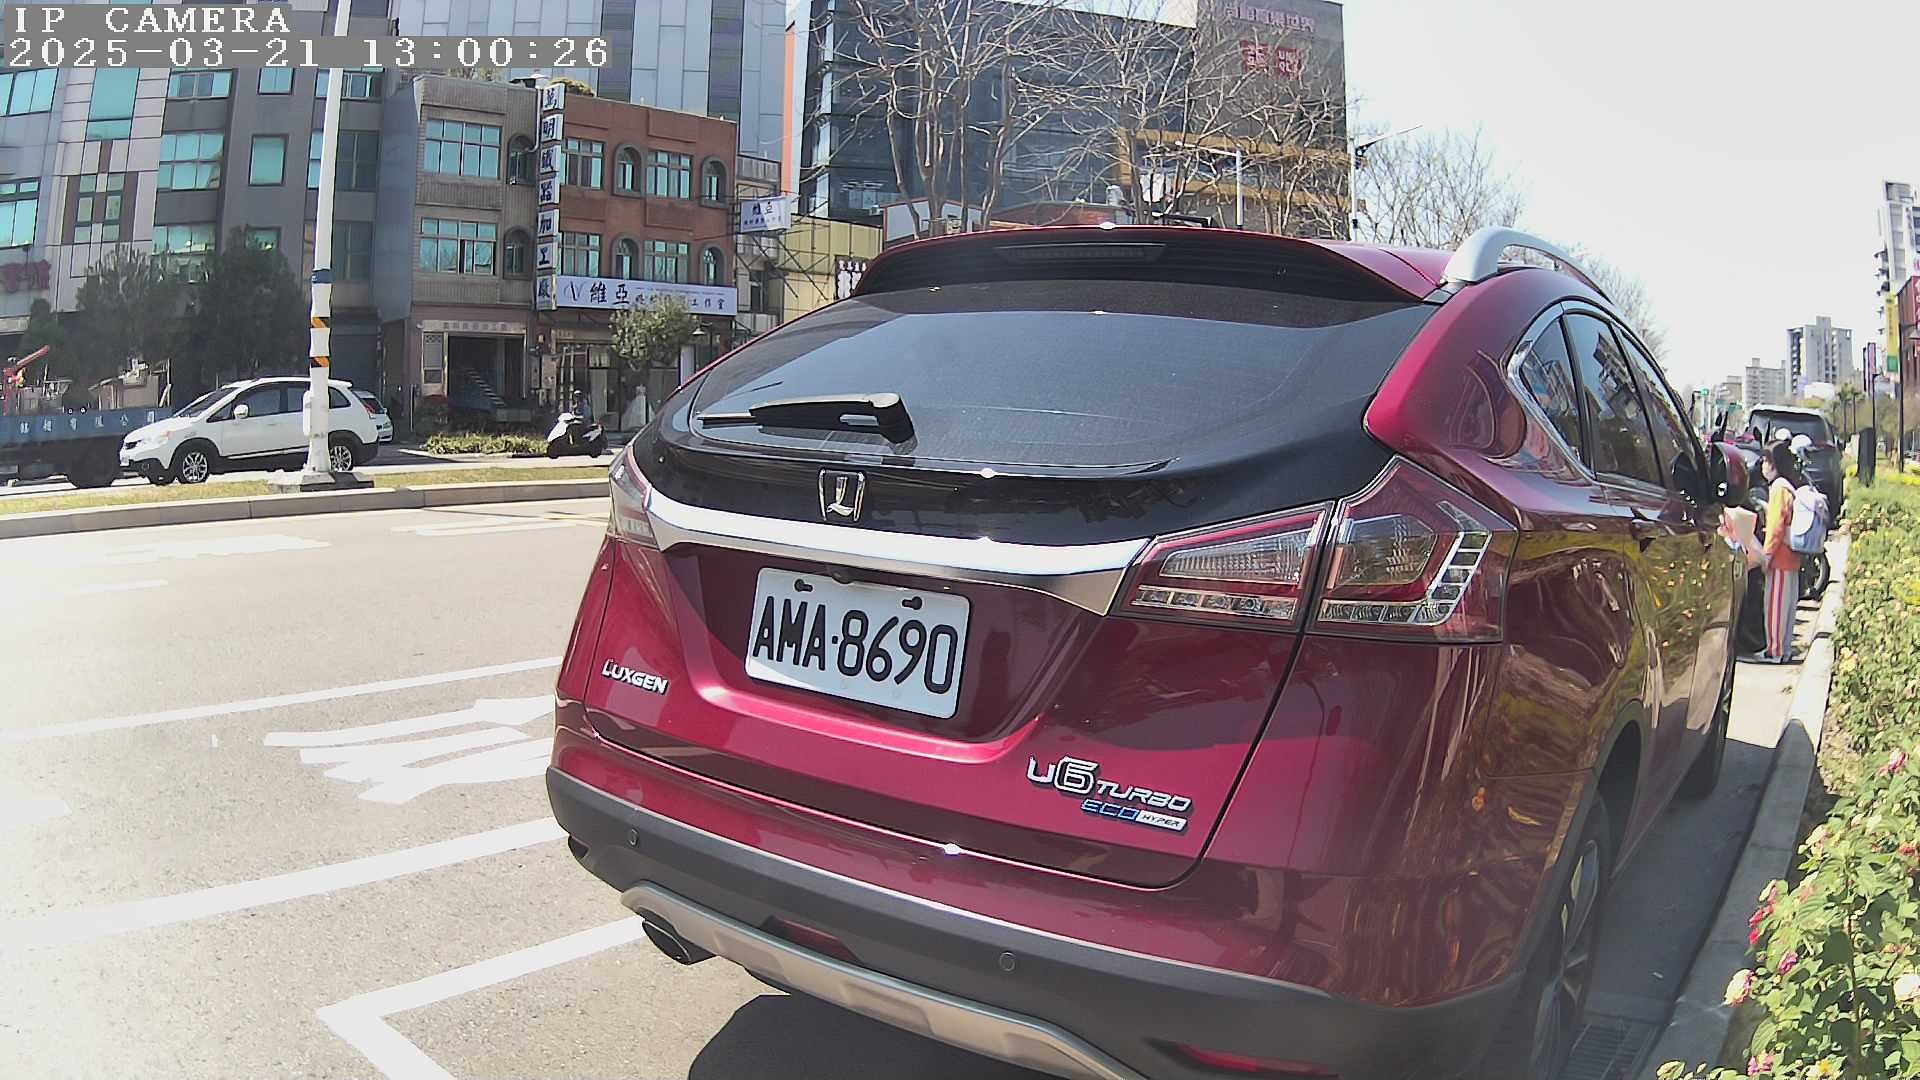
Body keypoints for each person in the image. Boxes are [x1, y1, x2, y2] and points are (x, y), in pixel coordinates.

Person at [1759, 439, 1804, 663]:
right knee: (1787, 608)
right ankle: (1783, 649)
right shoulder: (1790, 487)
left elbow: (1776, 527)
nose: (1763, 465)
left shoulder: (1778, 489)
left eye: (1766, 460)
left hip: (1780, 558)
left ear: (1775, 463)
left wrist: (1766, 555)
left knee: (1775, 607)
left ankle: (1774, 651)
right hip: (1792, 557)